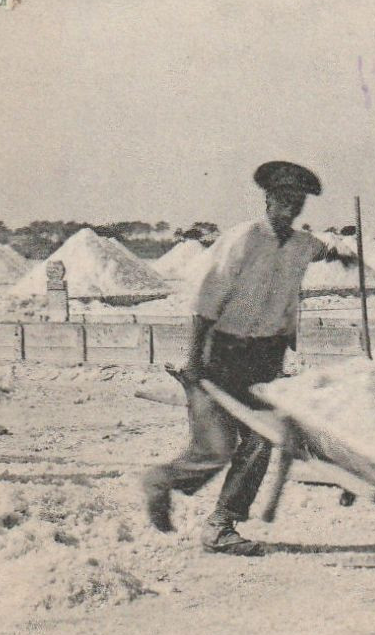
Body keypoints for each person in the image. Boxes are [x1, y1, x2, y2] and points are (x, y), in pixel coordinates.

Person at [143, 161, 353, 555]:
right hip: (221, 351)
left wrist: (343, 255)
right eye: (283, 199)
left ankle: (221, 525)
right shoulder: (242, 240)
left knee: (262, 438)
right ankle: (162, 481)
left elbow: (325, 250)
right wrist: (193, 361)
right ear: (268, 198)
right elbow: (205, 302)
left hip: (265, 358)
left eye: (297, 201)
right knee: (217, 447)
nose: (290, 207)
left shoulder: (302, 245)